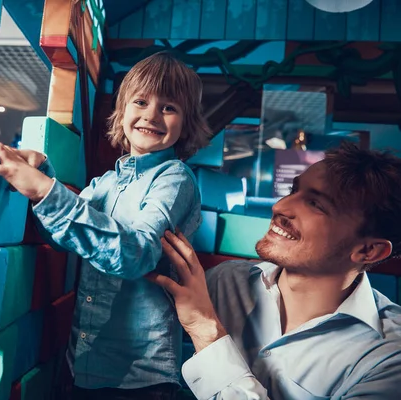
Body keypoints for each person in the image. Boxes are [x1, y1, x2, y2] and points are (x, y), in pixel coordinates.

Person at [0, 51, 211, 399]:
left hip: (141, 379)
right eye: (141, 101)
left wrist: (44, 189)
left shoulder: (175, 179)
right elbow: (59, 236)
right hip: (83, 364)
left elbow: (136, 254)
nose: (151, 115)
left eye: (169, 107)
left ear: (186, 123)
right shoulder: (104, 183)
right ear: (123, 109)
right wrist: (43, 177)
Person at [149, 142, 401, 399]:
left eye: (316, 204)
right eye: (293, 190)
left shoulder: (389, 356)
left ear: (368, 250)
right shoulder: (225, 281)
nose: (280, 207)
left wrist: (206, 329)